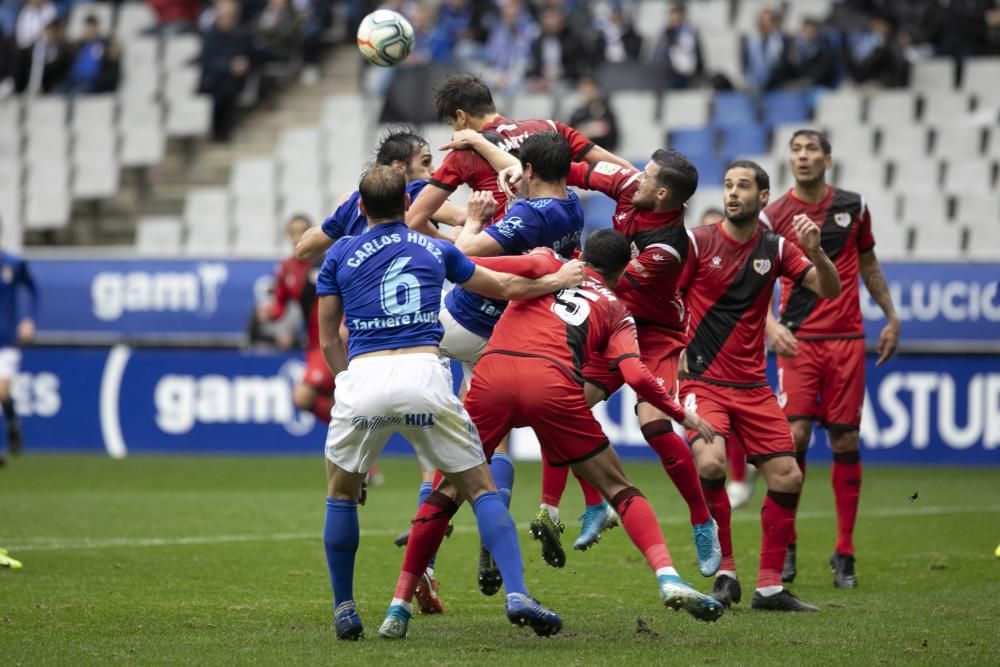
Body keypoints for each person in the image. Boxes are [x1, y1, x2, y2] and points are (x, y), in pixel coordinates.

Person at [392, 230, 725, 627]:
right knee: (621, 487)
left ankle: (398, 606)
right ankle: (668, 577)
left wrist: (437, 256)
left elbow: (481, 270)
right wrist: (680, 412)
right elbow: (634, 372)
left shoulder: (550, 262)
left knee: (448, 489)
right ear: (621, 273)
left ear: (582, 254)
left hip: (492, 375)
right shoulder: (618, 309)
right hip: (552, 384)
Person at [316, 164, 583, 640]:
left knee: (340, 494)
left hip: (364, 376)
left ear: (359, 208)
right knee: (479, 487)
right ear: (406, 205)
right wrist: (556, 279)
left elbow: (329, 337)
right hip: (425, 373)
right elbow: (503, 287)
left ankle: (344, 608)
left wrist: (346, 382)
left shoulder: (339, 254)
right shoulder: (436, 247)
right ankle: (517, 591)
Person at [488, 147, 722, 575]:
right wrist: (522, 176)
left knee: (653, 422)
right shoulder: (633, 186)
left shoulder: (665, 251)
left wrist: (557, 268)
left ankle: (701, 520)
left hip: (652, 333)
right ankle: (595, 503)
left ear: (664, 193)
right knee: (564, 406)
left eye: (648, 178)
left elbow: (604, 280)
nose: (637, 179)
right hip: (613, 317)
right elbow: (574, 171)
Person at [679, 160, 840, 612]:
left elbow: (828, 289)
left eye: (744, 186)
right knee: (710, 463)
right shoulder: (697, 242)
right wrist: (673, 352)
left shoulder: (778, 247)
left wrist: (819, 251)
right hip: (704, 381)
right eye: (728, 184)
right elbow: (667, 297)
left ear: (763, 197)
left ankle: (769, 586)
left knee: (788, 475)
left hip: (752, 385)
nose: (733, 193)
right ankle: (726, 569)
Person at [761, 129, 900, 589]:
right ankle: (788, 545)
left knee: (844, 440)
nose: (802, 157)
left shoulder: (853, 207)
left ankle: (845, 552)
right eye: (795, 150)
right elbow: (751, 273)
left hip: (845, 338)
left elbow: (869, 264)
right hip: (798, 339)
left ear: (827, 159)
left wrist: (891, 315)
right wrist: (768, 322)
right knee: (794, 436)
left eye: (811, 150)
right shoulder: (773, 214)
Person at [404, 72, 631, 240]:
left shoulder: (464, 154)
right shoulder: (550, 128)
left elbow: (413, 220)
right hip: (563, 250)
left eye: (452, 124)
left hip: (506, 260)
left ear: (462, 117)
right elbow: (623, 169)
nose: (455, 132)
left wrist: (451, 241)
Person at [295, 129, 465, 261]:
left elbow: (303, 249)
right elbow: (461, 217)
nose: (433, 170)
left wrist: (339, 213)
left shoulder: (354, 202)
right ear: (399, 167)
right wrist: (452, 241)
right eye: (426, 162)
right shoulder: (416, 190)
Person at [0, 238, 37, 466]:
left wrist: (28, 319)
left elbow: (33, 290)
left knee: (2, 392)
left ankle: (13, 426)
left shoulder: (14, 263)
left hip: (6, 341)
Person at [650, 3, 703, 89]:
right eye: (673, 16)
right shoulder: (665, 34)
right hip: (669, 72)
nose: (675, 19)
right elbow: (657, 55)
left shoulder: (690, 33)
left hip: (687, 74)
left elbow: (697, 56)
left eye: (677, 16)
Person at [567, 78, 619, 152]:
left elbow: (612, 137)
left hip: (601, 152)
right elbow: (570, 134)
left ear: (596, 90)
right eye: (584, 90)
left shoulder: (605, 110)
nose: (587, 93)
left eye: (590, 90)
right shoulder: (578, 112)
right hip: (580, 153)